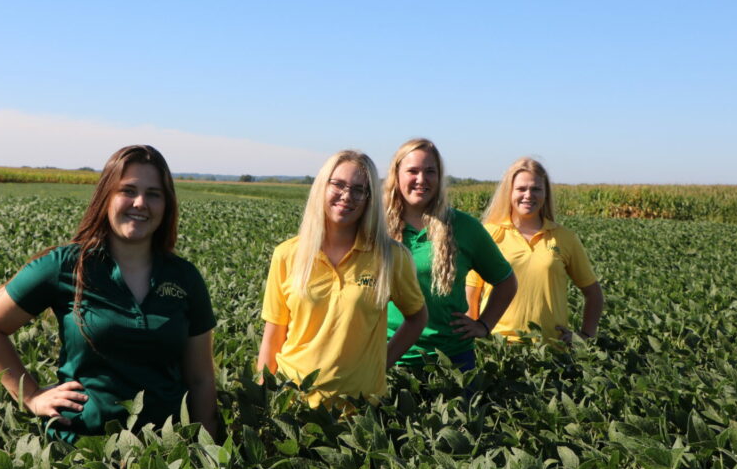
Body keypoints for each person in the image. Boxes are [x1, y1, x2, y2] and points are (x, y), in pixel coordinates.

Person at [0, 145, 217, 440]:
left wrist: (209, 452)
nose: (140, 203)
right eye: (127, 190)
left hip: (165, 456)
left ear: (167, 205)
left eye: (154, 193)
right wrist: (31, 396)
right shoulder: (64, 265)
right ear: (106, 197)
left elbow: (200, 380)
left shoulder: (184, 278)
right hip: (81, 453)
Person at [255, 150, 429, 408]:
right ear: (322, 187)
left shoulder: (391, 257)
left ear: (369, 199)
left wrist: (382, 363)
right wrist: (260, 399)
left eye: (359, 190)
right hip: (294, 404)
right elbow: (273, 337)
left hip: (360, 410)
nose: (347, 196)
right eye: (338, 184)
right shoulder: (287, 255)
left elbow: (417, 317)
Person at [384, 139, 518, 371]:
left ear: (439, 178)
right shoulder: (375, 227)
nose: (421, 179)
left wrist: (484, 325)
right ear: (396, 175)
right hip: (389, 357)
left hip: (452, 360)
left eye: (430, 172)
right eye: (412, 171)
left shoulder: (464, 227)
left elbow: (505, 281)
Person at [466, 157, 603, 343]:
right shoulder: (488, 235)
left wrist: (585, 336)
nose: (528, 195)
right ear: (509, 192)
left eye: (536, 189)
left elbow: (593, 293)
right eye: (521, 189)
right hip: (498, 349)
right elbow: (471, 294)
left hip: (551, 350)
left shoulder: (565, 237)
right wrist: (473, 335)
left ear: (545, 193)